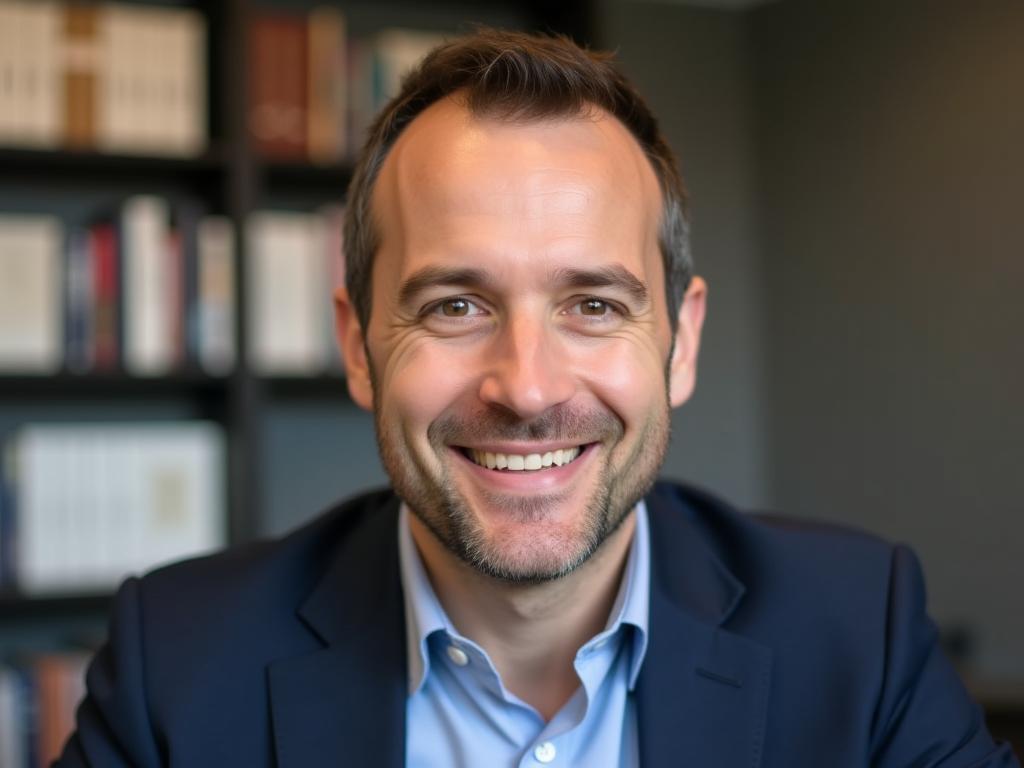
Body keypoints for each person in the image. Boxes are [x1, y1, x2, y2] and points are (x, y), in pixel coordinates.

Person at [58, 29, 1017, 768]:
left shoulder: (859, 631)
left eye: (594, 304)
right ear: (358, 346)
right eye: (456, 304)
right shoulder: (175, 666)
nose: (527, 386)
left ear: (680, 341)